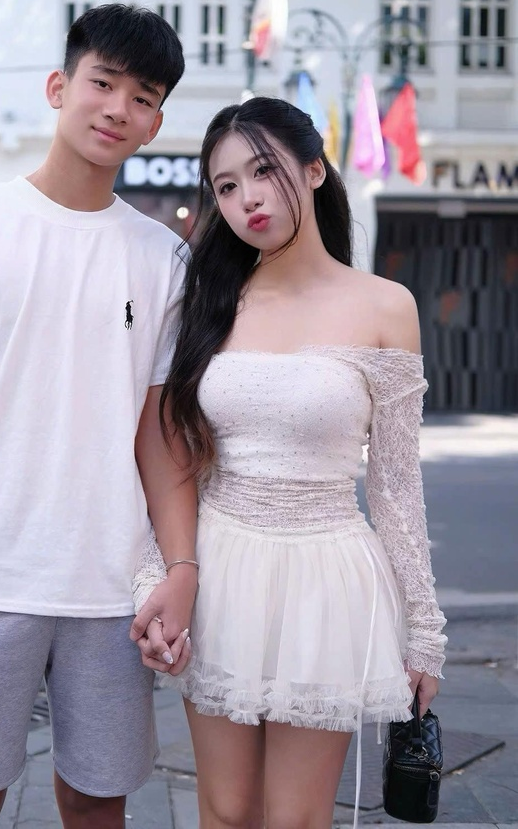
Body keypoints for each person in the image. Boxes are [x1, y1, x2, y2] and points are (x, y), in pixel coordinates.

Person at [0, 3, 197, 829]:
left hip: (113, 587)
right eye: (103, 83)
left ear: (157, 123)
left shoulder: (165, 258)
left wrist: (179, 571)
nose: (118, 108)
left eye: (143, 97)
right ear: (59, 87)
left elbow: (158, 436)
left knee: (97, 804)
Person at [132, 97, 447, 829]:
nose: (247, 198)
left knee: (296, 818)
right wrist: (158, 575)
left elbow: (396, 486)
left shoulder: (386, 306)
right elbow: (176, 457)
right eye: (226, 186)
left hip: (327, 580)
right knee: (225, 810)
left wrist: (424, 632)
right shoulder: (206, 300)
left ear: (313, 170)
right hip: (221, 570)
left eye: (263, 171)